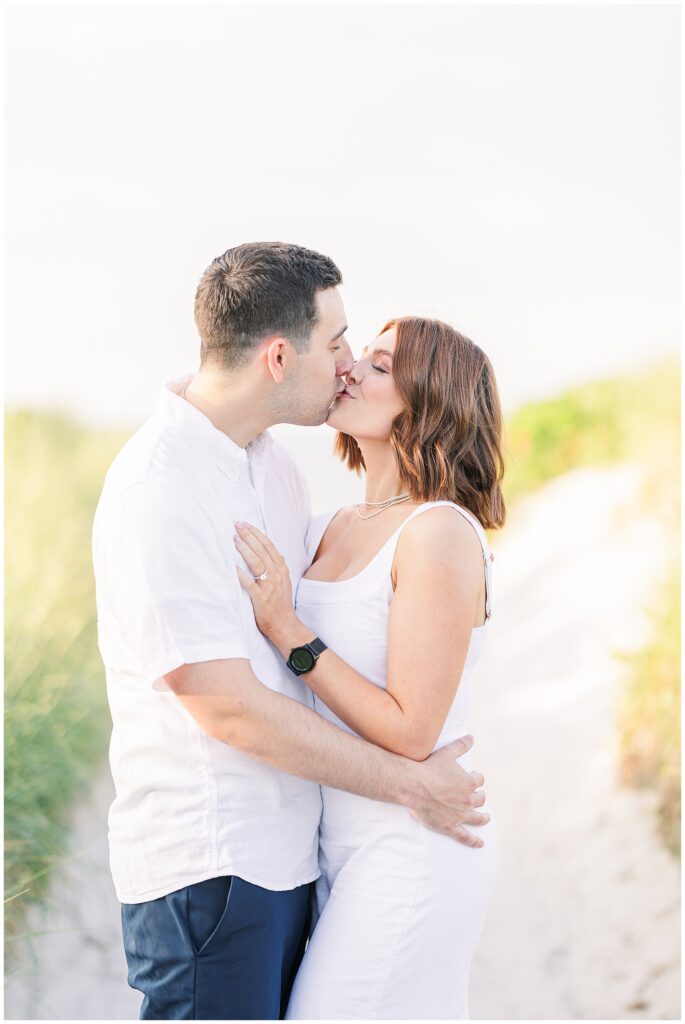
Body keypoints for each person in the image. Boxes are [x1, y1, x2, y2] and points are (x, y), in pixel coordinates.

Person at [92, 243, 490, 1021]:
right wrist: (410, 784)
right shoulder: (158, 487)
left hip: (299, 857)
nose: (345, 364)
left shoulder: (275, 472)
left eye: (368, 358)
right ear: (279, 355)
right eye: (340, 342)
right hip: (212, 865)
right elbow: (225, 703)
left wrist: (291, 631)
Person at [233, 314, 505, 1019]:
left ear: (428, 401)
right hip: (331, 842)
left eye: (380, 366)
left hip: (411, 845)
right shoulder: (330, 526)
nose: (350, 368)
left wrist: (289, 630)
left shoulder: (437, 532)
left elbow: (413, 729)